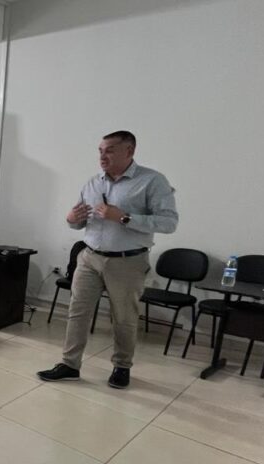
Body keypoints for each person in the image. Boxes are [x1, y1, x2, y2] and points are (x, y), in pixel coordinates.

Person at [36, 131, 178, 389]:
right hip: (89, 257)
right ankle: (70, 364)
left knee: (124, 318)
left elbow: (169, 222)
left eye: (110, 150)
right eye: (100, 150)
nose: (103, 156)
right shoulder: (93, 183)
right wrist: (71, 219)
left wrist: (124, 217)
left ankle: (122, 367)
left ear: (129, 151)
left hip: (127, 262)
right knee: (77, 312)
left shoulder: (152, 181)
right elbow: (79, 222)